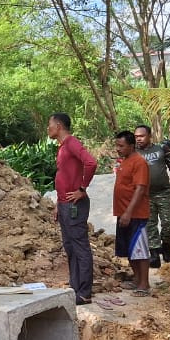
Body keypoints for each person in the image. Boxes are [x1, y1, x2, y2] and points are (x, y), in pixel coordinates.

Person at [47, 112, 97, 306]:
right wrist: (59, 204)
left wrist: (82, 189)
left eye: (50, 125)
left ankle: (84, 293)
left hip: (75, 205)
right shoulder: (62, 147)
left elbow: (91, 162)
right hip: (65, 205)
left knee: (80, 247)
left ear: (58, 126)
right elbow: (65, 176)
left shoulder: (72, 143)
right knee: (70, 247)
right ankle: (75, 288)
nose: (48, 129)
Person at [134, 124, 170, 268]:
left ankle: (166, 247)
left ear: (149, 136)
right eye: (136, 137)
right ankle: (154, 254)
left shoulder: (162, 148)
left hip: (163, 192)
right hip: (143, 195)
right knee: (150, 225)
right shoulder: (133, 152)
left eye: (141, 136)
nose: (138, 139)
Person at [113, 130, 151, 295]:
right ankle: (136, 279)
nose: (118, 149)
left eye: (121, 146)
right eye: (117, 145)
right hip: (123, 212)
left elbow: (140, 188)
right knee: (129, 249)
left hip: (136, 214)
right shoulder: (125, 161)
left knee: (139, 249)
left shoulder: (139, 162)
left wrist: (128, 212)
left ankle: (144, 283)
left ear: (131, 146)